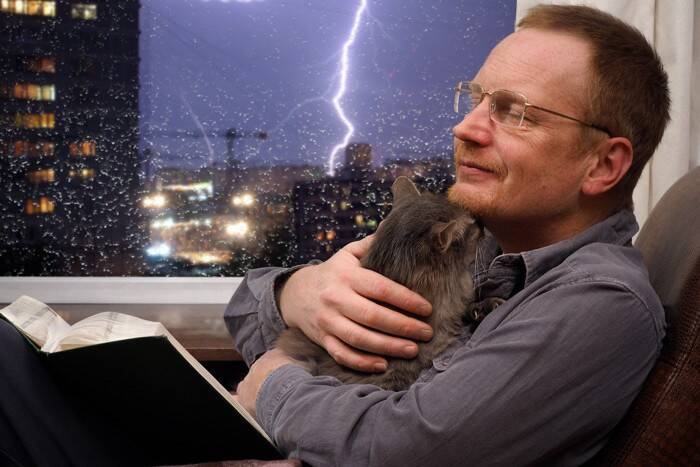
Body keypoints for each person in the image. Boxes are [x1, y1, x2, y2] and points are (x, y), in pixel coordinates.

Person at [226, 4, 670, 466]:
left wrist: (272, 386)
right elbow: (243, 308)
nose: (464, 128)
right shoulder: (479, 248)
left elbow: (405, 449)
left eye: (515, 112)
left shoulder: (599, 303)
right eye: (475, 99)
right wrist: (298, 294)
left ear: (602, 165)